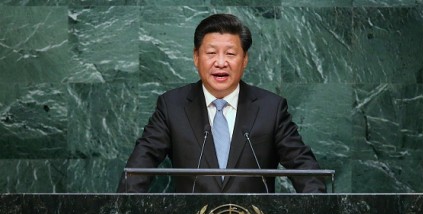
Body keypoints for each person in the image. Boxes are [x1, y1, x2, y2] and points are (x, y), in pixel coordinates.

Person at [117, 13, 326, 193]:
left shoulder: (271, 108)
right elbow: (139, 168)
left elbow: (304, 168)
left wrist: (319, 211)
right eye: (211, 53)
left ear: (244, 60)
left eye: (230, 53)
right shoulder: (172, 106)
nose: (220, 62)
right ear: (196, 58)